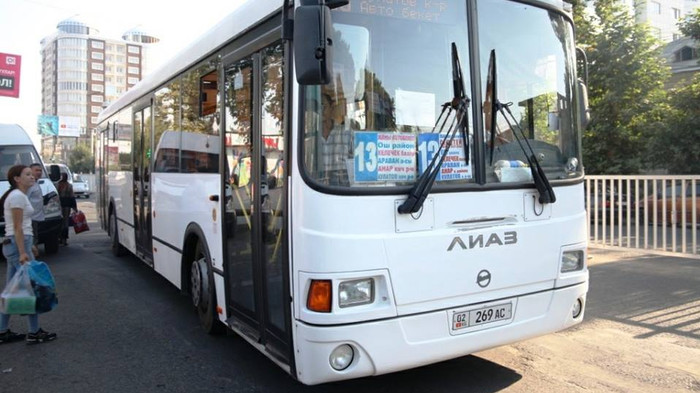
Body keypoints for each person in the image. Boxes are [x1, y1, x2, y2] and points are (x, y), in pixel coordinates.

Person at [0, 165, 57, 344]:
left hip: (17, 244)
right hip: (18, 246)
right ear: (17, 179)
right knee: (31, 289)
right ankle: (34, 332)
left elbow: (21, 226)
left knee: (11, 291)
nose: (32, 177)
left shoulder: (19, 196)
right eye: (27, 174)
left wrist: (29, 245)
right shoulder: (17, 196)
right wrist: (24, 251)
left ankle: (2, 331)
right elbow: (17, 227)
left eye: (32, 174)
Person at [27, 163, 45, 257]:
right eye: (36, 170)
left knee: (34, 238)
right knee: (32, 239)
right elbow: (25, 199)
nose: (39, 172)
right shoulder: (29, 184)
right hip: (30, 217)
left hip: (36, 217)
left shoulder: (36, 183)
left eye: (40, 170)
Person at [57, 173, 76, 246]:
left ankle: (61, 238)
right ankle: (64, 239)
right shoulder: (69, 186)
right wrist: (74, 207)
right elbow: (72, 197)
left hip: (60, 206)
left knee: (61, 222)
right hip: (67, 206)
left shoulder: (58, 185)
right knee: (65, 222)